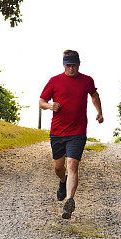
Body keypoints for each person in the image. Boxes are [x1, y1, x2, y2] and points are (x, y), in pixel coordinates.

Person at [39, 49, 103, 219]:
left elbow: (94, 95)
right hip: (58, 132)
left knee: (72, 165)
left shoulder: (87, 81)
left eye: (74, 65)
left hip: (78, 131)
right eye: (68, 65)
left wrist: (99, 112)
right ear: (64, 65)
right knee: (59, 168)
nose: (71, 68)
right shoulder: (54, 81)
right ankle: (62, 182)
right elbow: (41, 102)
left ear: (79, 65)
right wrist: (49, 106)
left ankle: (69, 201)